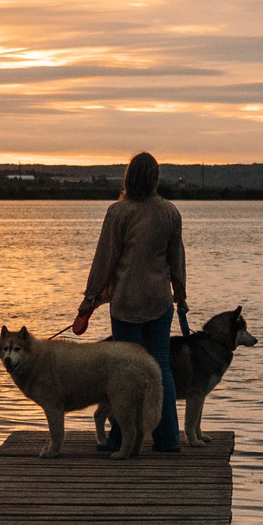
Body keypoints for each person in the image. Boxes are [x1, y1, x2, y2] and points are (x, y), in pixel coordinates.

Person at [68, 150, 188, 453]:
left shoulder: (118, 213)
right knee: (160, 368)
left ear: (128, 177)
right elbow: (178, 261)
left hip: (126, 303)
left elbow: (104, 261)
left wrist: (89, 301)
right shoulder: (170, 212)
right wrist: (181, 295)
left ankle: (120, 439)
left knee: (124, 371)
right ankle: (168, 438)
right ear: (156, 178)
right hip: (160, 301)